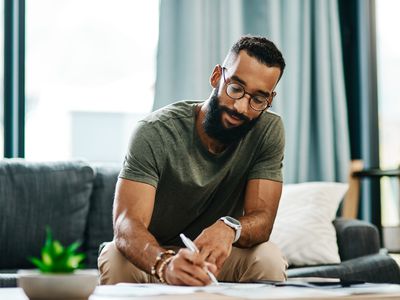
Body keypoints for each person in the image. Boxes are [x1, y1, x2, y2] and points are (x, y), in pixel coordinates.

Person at [99, 35, 287, 286]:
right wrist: (164, 264)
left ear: (269, 100)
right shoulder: (154, 131)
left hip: (214, 259)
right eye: (235, 88)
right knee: (115, 256)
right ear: (216, 77)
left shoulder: (267, 130)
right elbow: (126, 224)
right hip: (154, 255)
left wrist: (229, 227)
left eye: (258, 99)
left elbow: (262, 219)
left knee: (268, 257)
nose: (241, 107)